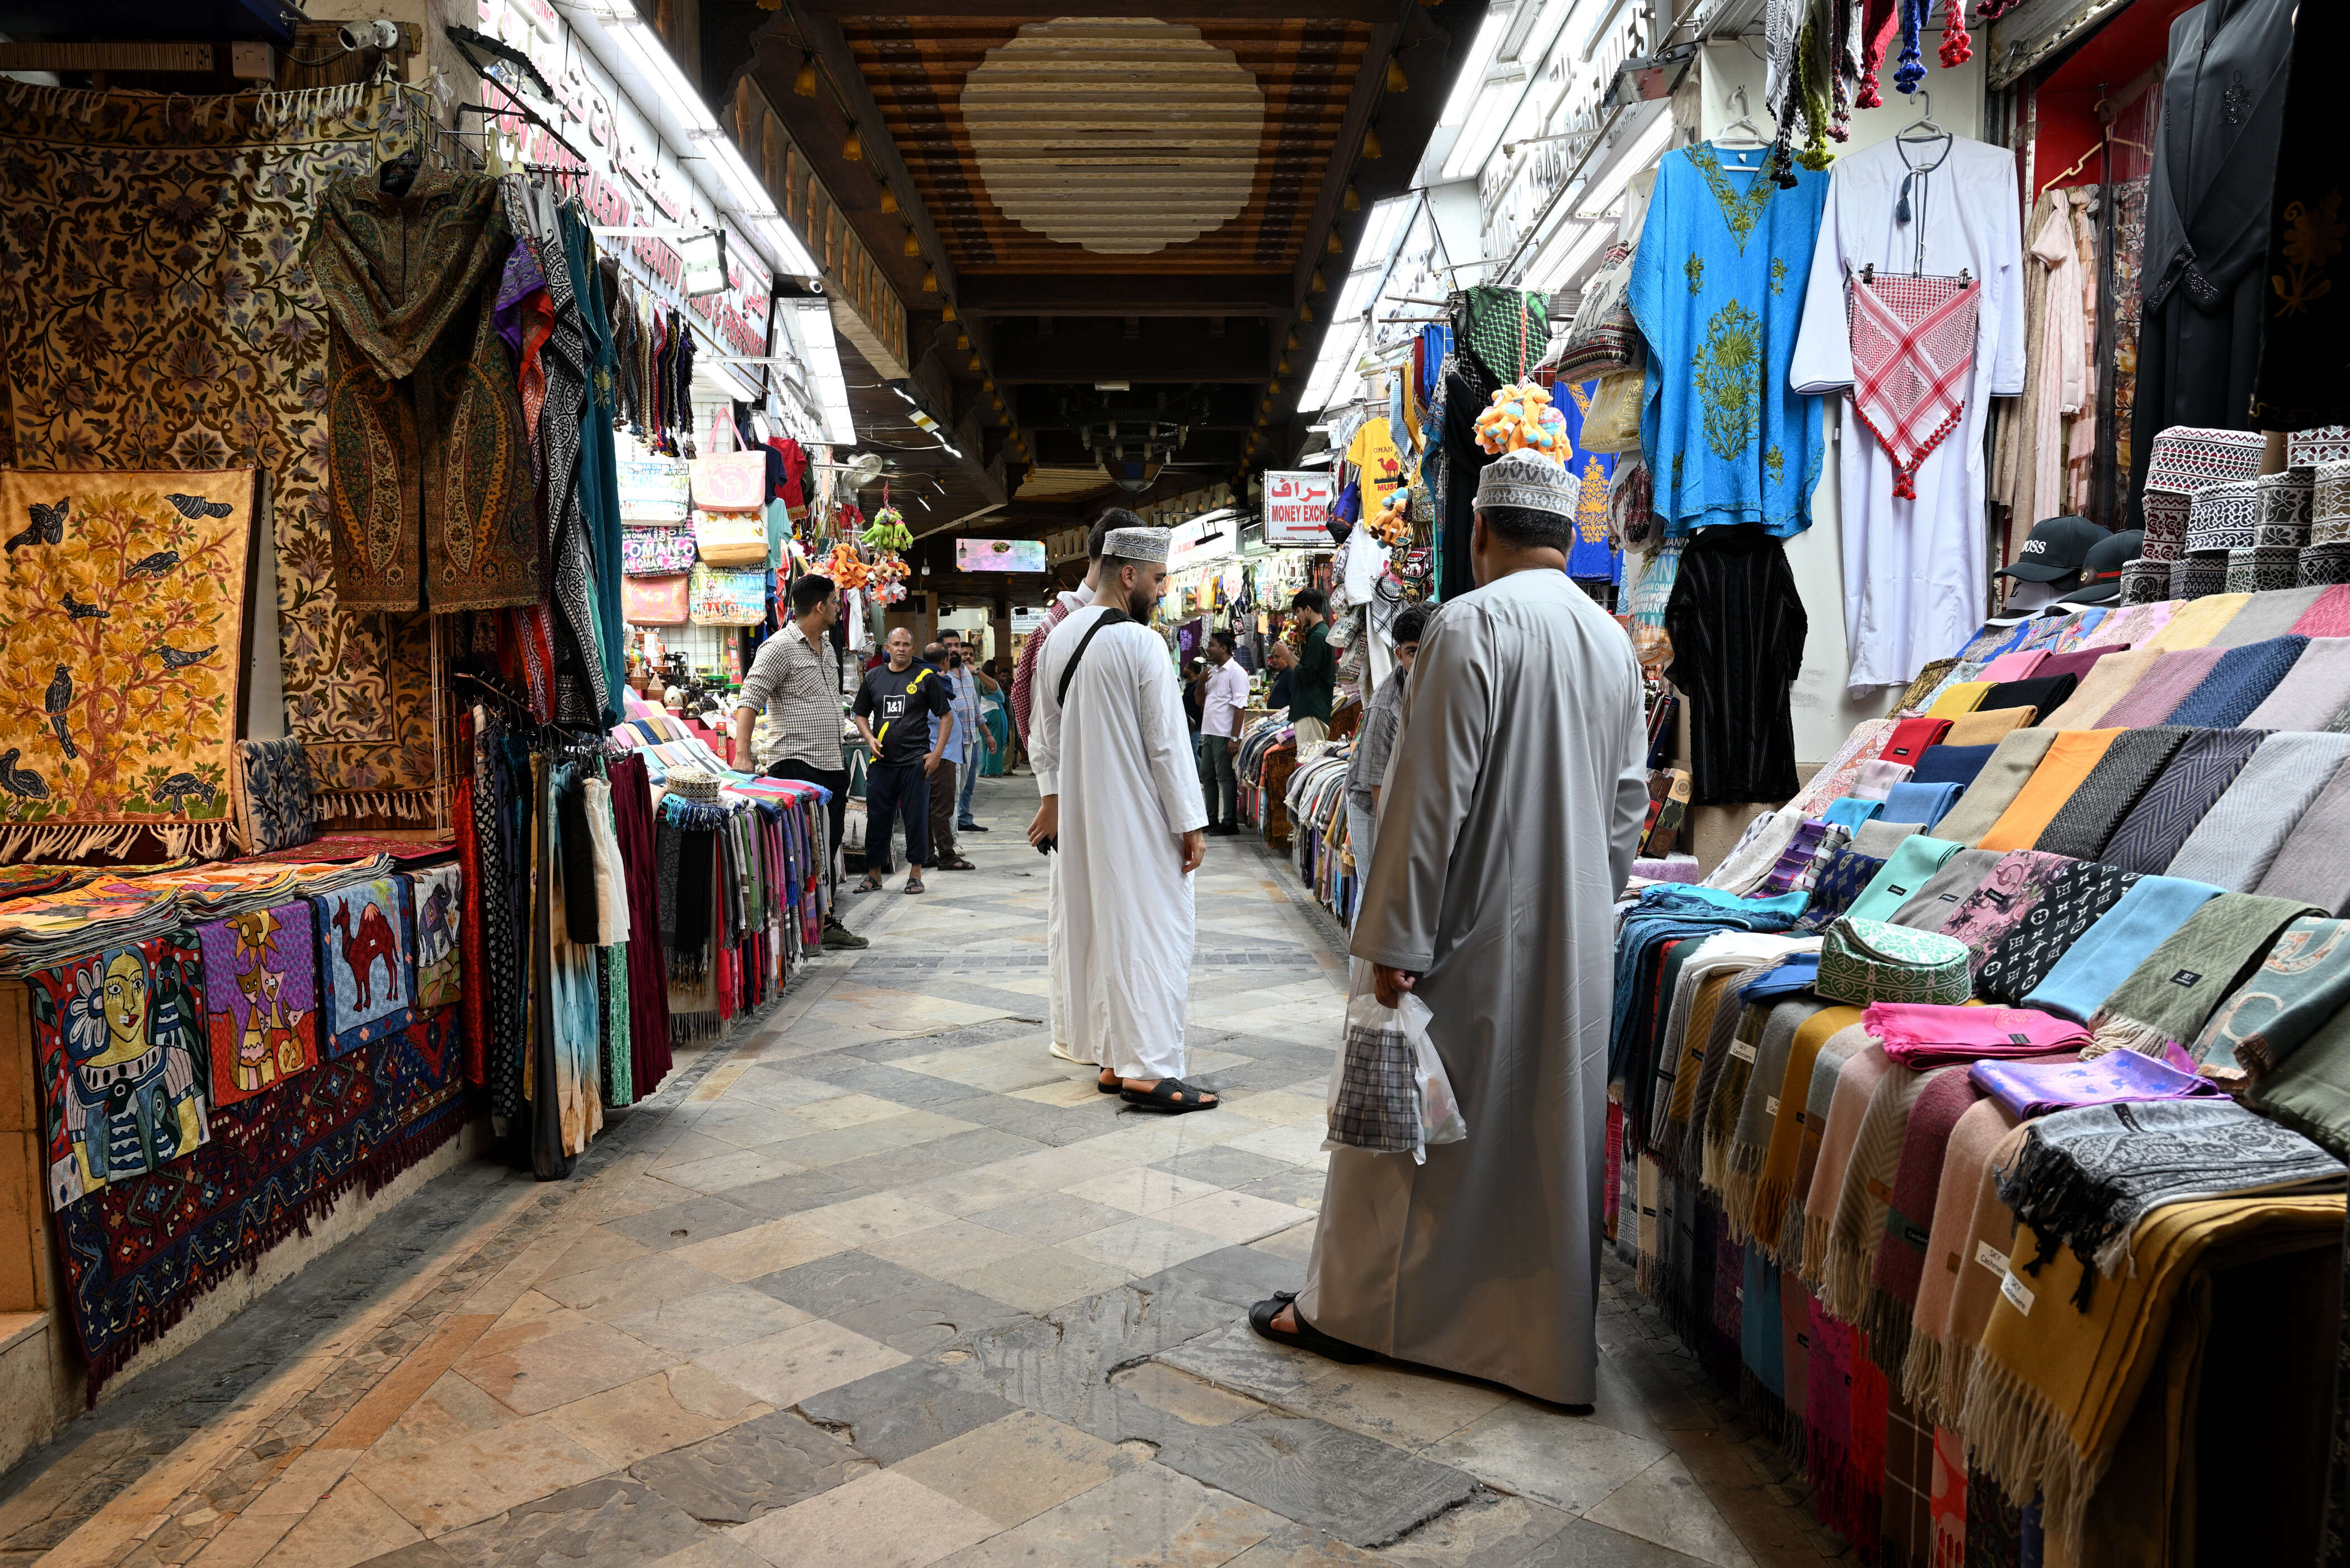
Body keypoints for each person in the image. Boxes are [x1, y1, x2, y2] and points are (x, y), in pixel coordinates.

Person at [1252, 448, 1647, 1410]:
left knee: (1410, 1136)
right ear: (1568, 538)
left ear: (1479, 530)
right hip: (1573, 931)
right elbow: (1629, 805)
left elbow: (1428, 799)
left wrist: (1393, 937)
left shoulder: (1470, 625)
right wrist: (1588, 904)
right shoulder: (1610, 642)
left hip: (1466, 927)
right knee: (1536, 1138)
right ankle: (1537, 1347)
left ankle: (1357, 1313)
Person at [1028, 526, 1214, 1111]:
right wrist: (1190, 822)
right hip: (1139, 818)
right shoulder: (1142, 644)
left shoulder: (1059, 638)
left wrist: (1055, 799)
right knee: (1153, 934)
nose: (1162, 591)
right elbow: (1168, 744)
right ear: (1129, 575)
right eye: (1158, 579)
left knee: (1103, 934)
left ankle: (1114, 1059)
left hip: (1085, 820)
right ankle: (1149, 1071)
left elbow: (1044, 736)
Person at [1016, 510, 1139, 1064]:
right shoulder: (1059, 622)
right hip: (1077, 795)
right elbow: (1032, 710)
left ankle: (1102, 1034)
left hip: (1108, 795)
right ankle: (1078, 1033)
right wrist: (1052, 795)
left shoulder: (1107, 621)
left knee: (1106, 916)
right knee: (1077, 917)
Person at [731, 575, 866, 950]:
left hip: (831, 764)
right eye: (835, 602)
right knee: (801, 852)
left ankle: (823, 922)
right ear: (820, 606)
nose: (839, 609)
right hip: (795, 765)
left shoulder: (828, 646)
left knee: (828, 846)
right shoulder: (778, 647)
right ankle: (797, 931)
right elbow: (749, 699)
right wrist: (742, 755)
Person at [850, 627, 955, 895]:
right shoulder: (874, 677)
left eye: (906, 644)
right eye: (896, 644)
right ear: (887, 647)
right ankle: (874, 875)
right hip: (882, 763)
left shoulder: (925, 677)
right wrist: (869, 738)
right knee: (877, 820)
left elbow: (947, 717)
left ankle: (915, 874)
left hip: (915, 763)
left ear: (913, 648)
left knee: (916, 820)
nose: (901, 649)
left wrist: (937, 753)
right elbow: (859, 714)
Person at [1341, 604, 1425, 912]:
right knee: (1376, 894)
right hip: (1372, 806)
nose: (1422, 659)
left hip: (1411, 801)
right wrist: (1391, 845)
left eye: (1429, 648)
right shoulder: (1386, 706)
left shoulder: (1441, 687)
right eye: (1413, 652)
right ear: (1399, 655)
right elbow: (1378, 790)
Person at [918, 643, 979, 873]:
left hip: (942, 753)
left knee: (932, 807)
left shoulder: (931, 680)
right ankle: (946, 855)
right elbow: (939, 717)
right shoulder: (935, 682)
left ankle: (928, 853)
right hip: (940, 755)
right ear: (945, 661)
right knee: (941, 808)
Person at [941, 634, 996, 831]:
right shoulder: (939, 675)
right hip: (951, 744)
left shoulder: (967, 673)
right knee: (952, 791)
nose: (954, 649)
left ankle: (959, 825)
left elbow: (974, 707)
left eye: (957, 645)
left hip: (971, 740)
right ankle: (951, 836)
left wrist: (987, 734)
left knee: (965, 787)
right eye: (949, 646)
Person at [1197, 629, 1249, 835]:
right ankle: (1211, 819)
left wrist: (1234, 738)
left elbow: (1240, 706)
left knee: (1225, 777)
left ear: (1224, 648)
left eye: (1212, 645)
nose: (1208, 649)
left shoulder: (1236, 672)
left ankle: (1229, 822)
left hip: (1225, 734)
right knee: (1207, 775)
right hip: (1209, 732)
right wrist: (1201, 683)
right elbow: (1200, 702)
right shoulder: (1212, 672)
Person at [1287, 588, 1334, 748]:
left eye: (1298, 612)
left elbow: (1306, 675)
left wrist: (1286, 656)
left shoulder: (1318, 637)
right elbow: (1309, 667)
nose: (1298, 617)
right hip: (1313, 709)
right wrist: (1289, 654)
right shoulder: (1321, 632)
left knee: (1309, 758)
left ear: (1308, 609)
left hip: (1311, 711)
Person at [1265, 637, 1296, 711]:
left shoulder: (1291, 673)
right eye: (1272, 657)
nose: (1274, 660)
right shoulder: (1283, 673)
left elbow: (1295, 698)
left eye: (1277, 657)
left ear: (1285, 658)